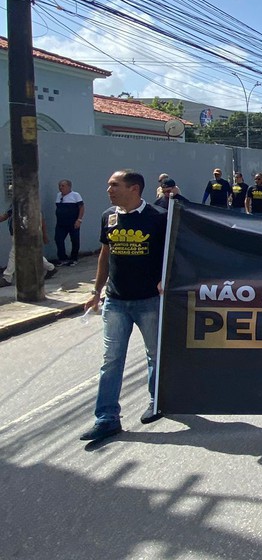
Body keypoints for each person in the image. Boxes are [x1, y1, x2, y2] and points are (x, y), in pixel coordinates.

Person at [79, 170, 167, 442]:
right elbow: (105, 254)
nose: (109, 190)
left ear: (134, 188)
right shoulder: (109, 216)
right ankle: (106, 418)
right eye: (109, 185)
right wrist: (96, 291)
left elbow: (170, 254)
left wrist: (166, 281)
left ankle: (156, 401)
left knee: (155, 354)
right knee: (111, 361)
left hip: (149, 302)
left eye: (115, 185)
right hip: (115, 302)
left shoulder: (158, 217)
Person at [0, 187, 57, 287]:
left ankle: (7, 277)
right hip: (19, 233)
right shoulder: (16, 203)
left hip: (23, 233)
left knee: (13, 255)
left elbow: (40, 219)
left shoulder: (28, 203)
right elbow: (6, 215)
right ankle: (50, 268)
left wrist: (43, 234)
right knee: (33, 253)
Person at [54, 179, 84, 265]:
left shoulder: (75, 195)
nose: (61, 188)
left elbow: (81, 207)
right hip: (61, 223)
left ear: (69, 187)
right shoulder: (58, 195)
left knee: (74, 240)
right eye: (59, 186)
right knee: (58, 239)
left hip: (73, 222)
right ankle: (62, 258)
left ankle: (74, 258)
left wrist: (79, 220)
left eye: (63, 186)